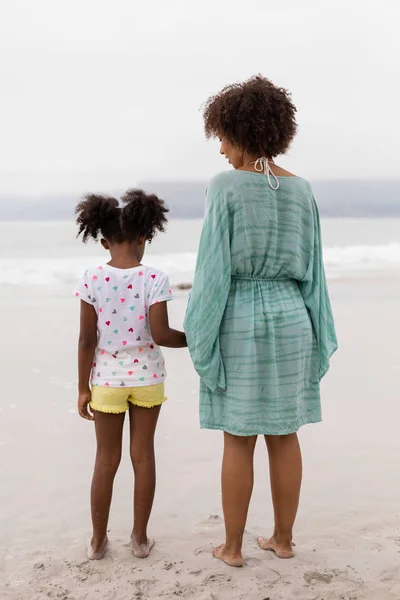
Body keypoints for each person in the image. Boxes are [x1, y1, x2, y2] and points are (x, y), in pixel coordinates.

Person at [184, 75, 338, 567]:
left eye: (224, 138)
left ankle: (231, 548)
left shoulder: (225, 186)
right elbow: (314, 270)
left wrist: (198, 337)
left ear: (241, 131)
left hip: (242, 317)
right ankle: (284, 541)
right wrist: (319, 334)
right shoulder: (302, 190)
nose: (222, 150)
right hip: (294, 316)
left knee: (239, 435)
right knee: (285, 433)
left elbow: (212, 271)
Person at [74, 189, 186, 561]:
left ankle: (97, 541)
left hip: (105, 380)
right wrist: (196, 341)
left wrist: (81, 389)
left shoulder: (91, 278)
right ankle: (139, 539)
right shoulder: (154, 278)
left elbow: (87, 339)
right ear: (143, 238)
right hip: (147, 379)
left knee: (106, 460)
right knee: (143, 456)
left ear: (103, 241)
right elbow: (161, 335)